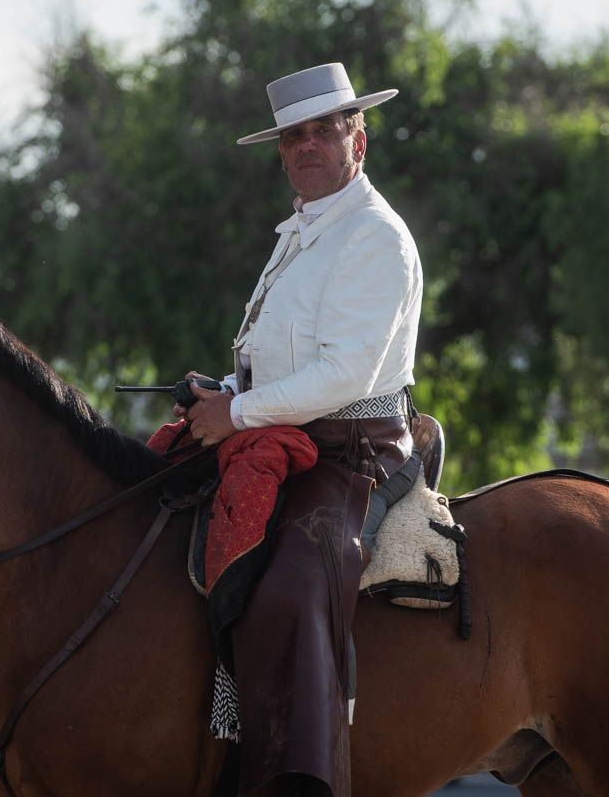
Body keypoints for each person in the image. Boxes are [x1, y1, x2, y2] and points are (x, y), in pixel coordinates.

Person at [181, 62, 423, 797]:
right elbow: (274, 358)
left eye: (326, 129)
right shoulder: (302, 230)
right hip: (286, 435)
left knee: (288, 584)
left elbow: (348, 372)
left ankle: (299, 779)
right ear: (281, 150)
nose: (309, 143)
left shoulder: (375, 235)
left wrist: (238, 413)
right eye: (295, 134)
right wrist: (221, 394)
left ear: (361, 141)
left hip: (356, 451)